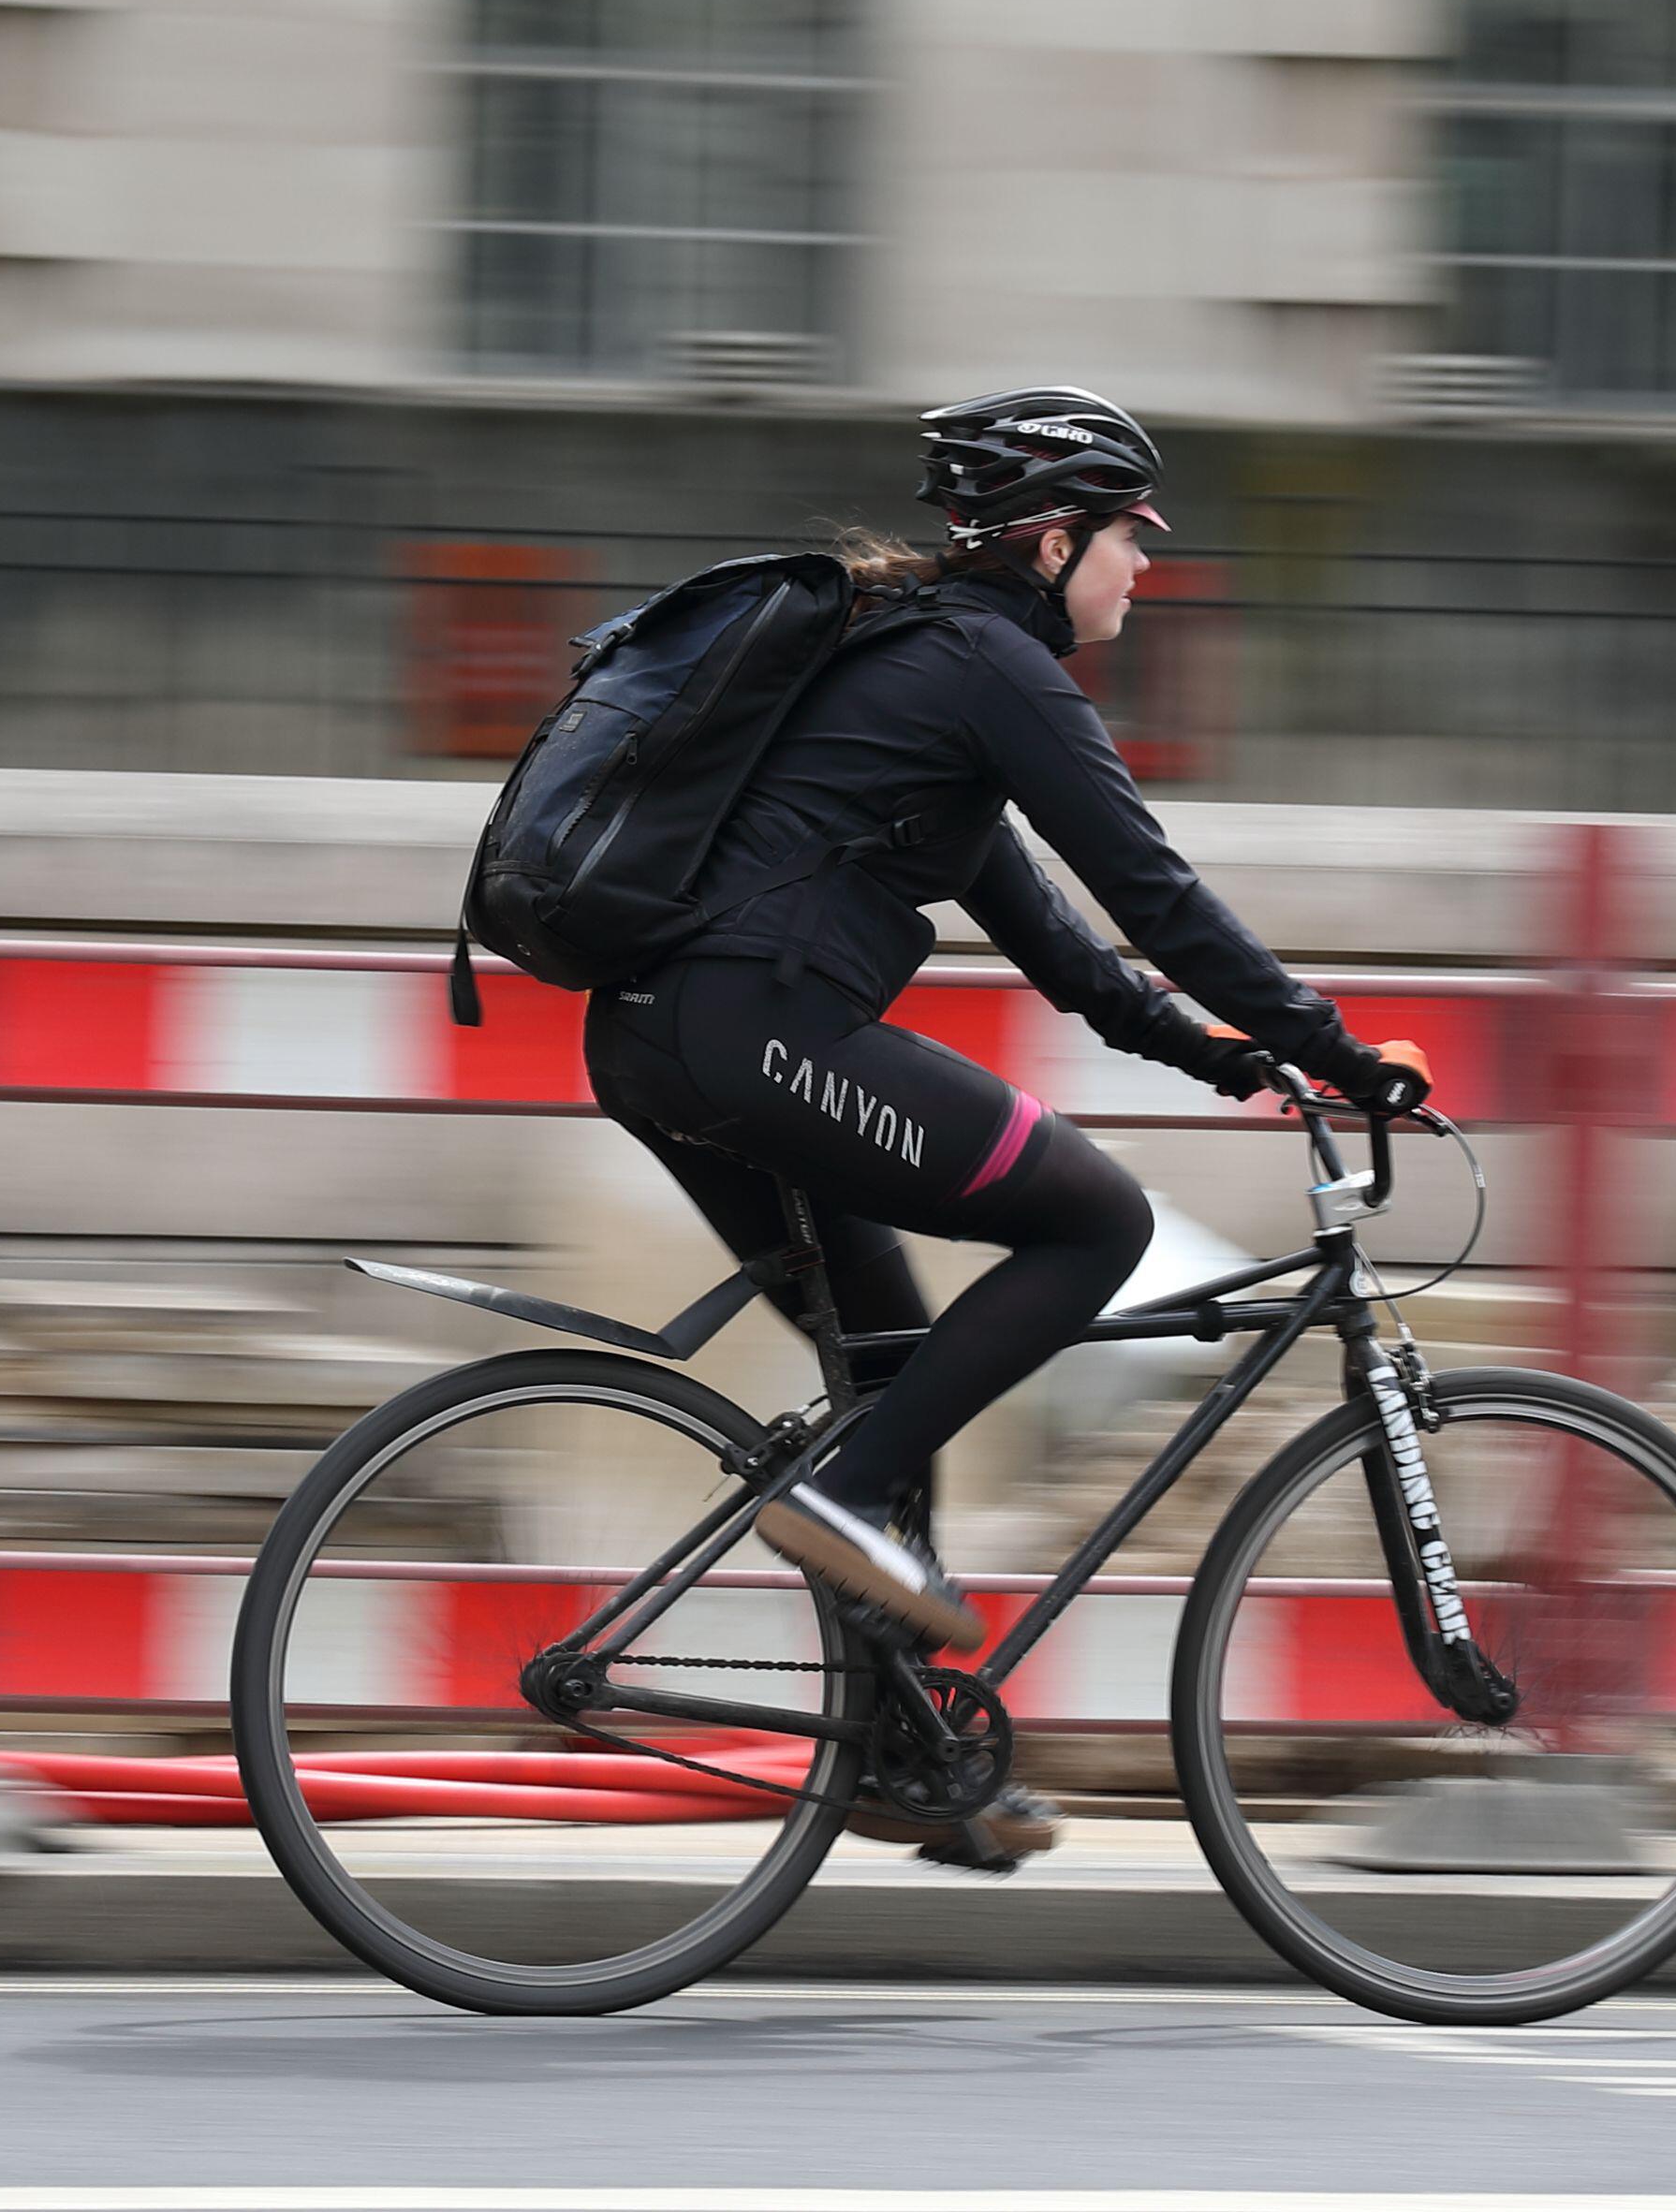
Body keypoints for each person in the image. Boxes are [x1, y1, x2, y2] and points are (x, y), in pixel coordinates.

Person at [580, 386, 1428, 1862]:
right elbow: (1155, 890)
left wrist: (1232, 1062)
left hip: (663, 1045)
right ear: (1050, 542)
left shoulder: (926, 680)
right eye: (1130, 536)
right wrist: (1335, 1048)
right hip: (756, 1035)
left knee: (900, 1361)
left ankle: (905, 1759)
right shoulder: (989, 670)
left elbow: (1076, 956)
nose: (1145, 567)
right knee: (1093, 1220)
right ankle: (840, 1506)